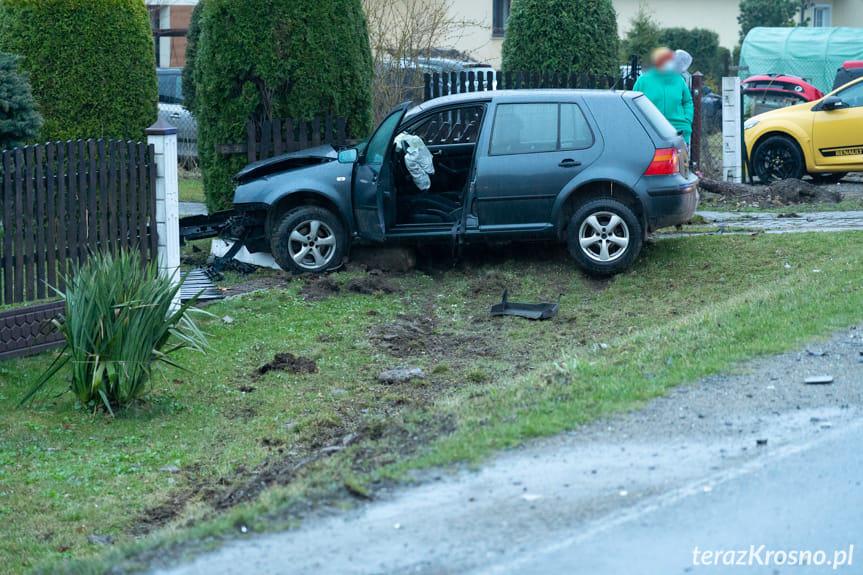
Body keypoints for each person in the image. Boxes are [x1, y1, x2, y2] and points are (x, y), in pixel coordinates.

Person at [633, 47, 694, 145]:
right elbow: (633, 104)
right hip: (651, 132)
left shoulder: (679, 80)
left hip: (679, 131)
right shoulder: (643, 81)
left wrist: (686, 120)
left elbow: (688, 101)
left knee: (680, 160)